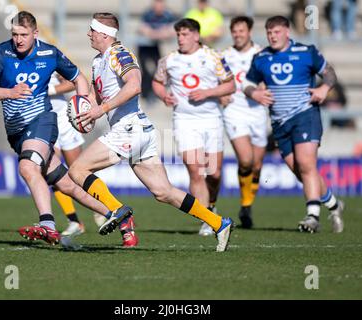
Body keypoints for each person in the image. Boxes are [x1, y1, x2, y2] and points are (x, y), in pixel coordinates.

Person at [68, 13, 234, 252]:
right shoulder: (98, 61)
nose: (88, 34)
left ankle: (116, 211)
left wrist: (101, 109)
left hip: (128, 129)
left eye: (92, 30)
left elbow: (134, 85)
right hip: (139, 131)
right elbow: (97, 94)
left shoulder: (119, 54)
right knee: (164, 192)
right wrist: (87, 110)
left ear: (104, 34)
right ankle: (219, 223)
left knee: (77, 169)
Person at [0, 11, 112, 246]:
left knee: (28, 167)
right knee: (66, 184)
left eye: (23, 35)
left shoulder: (49, 53)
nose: (18, 40)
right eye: (15, 34)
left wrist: (82, 104)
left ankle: (48, 224)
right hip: (16, 131)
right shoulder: (1, 52)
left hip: (42, 120)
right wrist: (9, 92)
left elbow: (79, 78)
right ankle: (115, 214)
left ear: (35, 33)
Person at [243, 15, 344, 233]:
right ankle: (334, 205)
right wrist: (255, 93)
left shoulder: (306, 52)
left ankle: (312, 217)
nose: (273, 36)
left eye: (277, 32)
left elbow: (329, 73)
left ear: (287, 32)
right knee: (301, 171)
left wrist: (324, 89)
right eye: (269, 32)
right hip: (280, 123)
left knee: (306, 164)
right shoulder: (261, 58)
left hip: (305, 115)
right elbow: (247, 84)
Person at [152, 18, 236, 236]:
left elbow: (231, 84)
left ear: (197, 36)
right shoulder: (169, 60)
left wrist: (207, 93)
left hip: (211, 120)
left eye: (186, 34)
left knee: (214, 173)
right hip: (184, 121)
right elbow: (157, 82)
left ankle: (212, 204)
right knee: (197, 172)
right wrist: (164, 96)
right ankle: (207, 218)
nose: (181, 38)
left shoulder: (213, 57)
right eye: (179, 34)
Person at [48, 73, 138, 247]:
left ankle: (115, 214)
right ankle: (74, 221)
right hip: (44, 124)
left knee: (79, 174)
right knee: (53, 175)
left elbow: (73, 81)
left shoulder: (49, 54)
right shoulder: (15, 58)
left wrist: (48, 90)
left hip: (64, 123)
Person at [220, 16, 268, 228]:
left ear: (249, 32)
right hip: (234, 111)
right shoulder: (224, 56)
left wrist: (266, 88)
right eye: (235, 31)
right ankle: (246, 205)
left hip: (258, 112)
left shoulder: (261, 54)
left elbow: (269, 77)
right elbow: (214, 79)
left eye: (242, 31)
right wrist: (220, 95)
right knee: (246, 160)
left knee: (256, 166)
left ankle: (246, 205)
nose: (238, 35)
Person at [137, 0, 177, 103]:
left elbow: (172, 30)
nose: (158, 7)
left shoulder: (168, 15)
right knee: (145, 70)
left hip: (157, 47)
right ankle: (146, 94)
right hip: (144, 47)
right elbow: (142, 28)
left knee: (158, 70)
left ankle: (155, 93)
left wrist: (156, 34)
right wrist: (157, 33)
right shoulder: (148, 14)